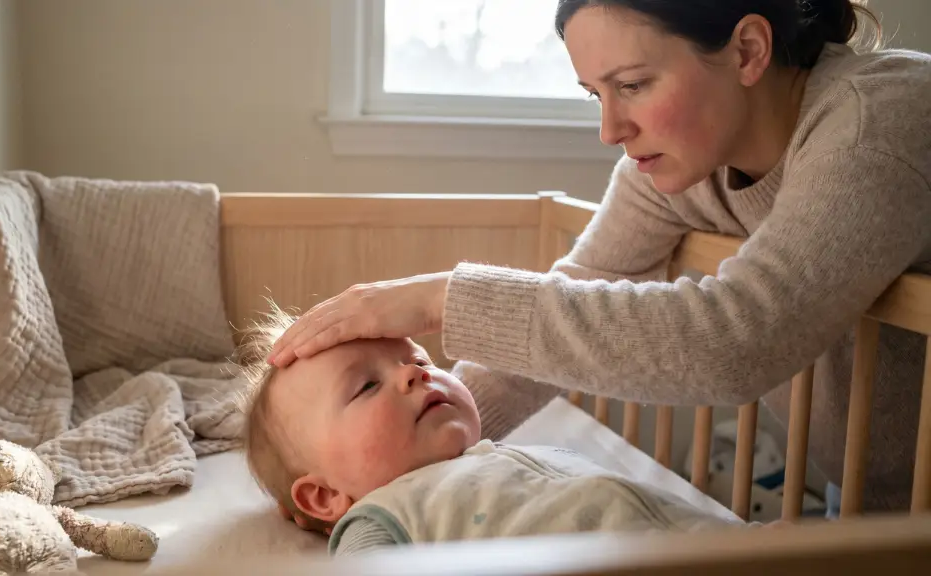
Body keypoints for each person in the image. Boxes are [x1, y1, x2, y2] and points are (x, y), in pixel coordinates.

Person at [268, 0, 931, 517]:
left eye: (634, 85)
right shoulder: (678, 167)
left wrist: (441, 299)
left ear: (748, 50)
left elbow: (739, 338)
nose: (610, 130)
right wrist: (408, 477)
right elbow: (561, 321)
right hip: (874, 493)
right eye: (595, 94)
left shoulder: (878, 122)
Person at [239, 306, 747, 556]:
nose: (412, 372)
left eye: (417, 357)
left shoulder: (499, 457)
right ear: (326, 495)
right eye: (367, 387)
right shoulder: (383, 517)